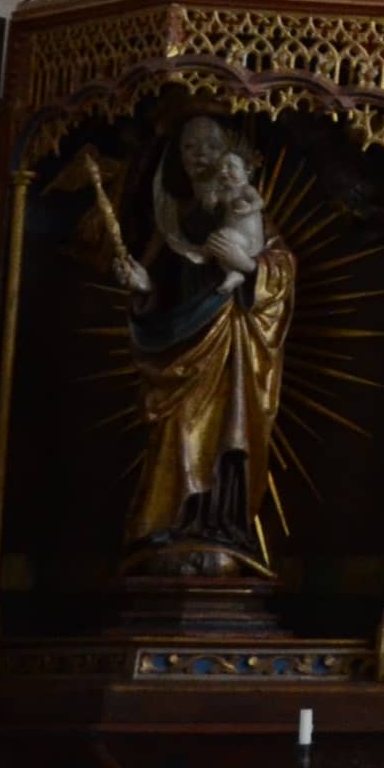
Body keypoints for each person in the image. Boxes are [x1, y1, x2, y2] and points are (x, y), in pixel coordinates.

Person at [113, 116, 294, 572]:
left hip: (230, 340)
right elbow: (157, 286)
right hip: (179, 343)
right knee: (175, 429)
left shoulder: (243, 207)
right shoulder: (170, 219)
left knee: (228, 428)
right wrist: (141, 286)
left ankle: (219, 525)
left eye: (210, 146)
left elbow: (283, 269)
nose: (200, 156)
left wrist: (247, 267)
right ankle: (169, 522)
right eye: (189, 147)